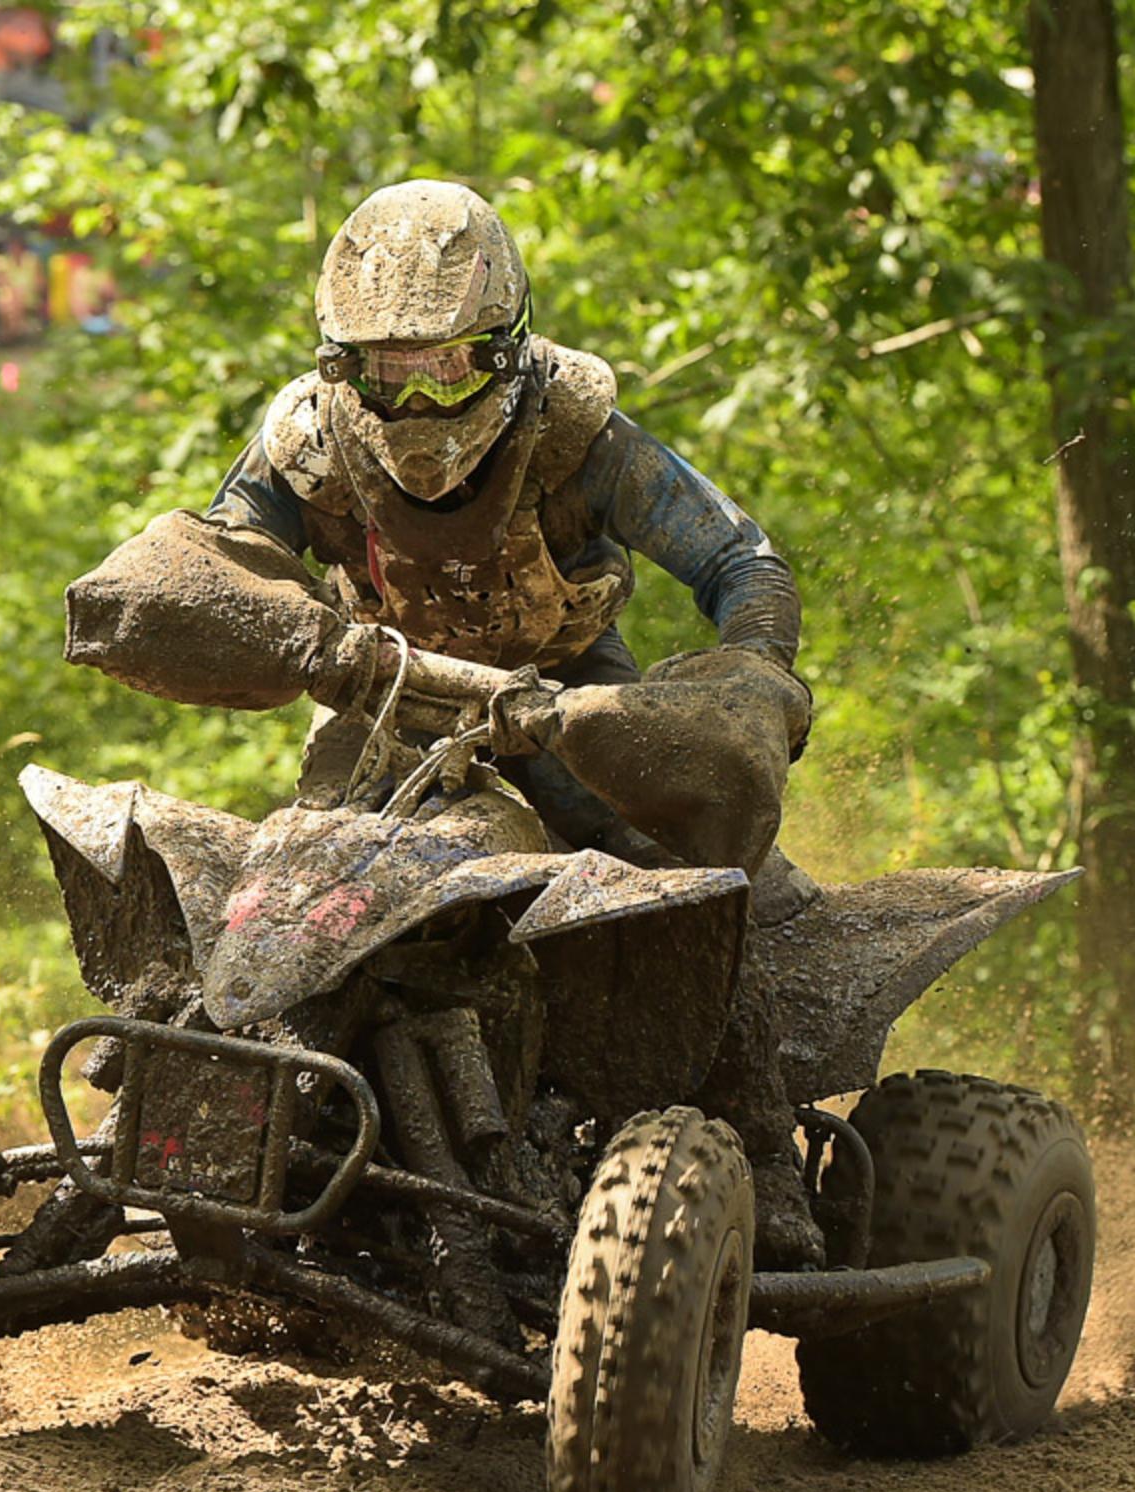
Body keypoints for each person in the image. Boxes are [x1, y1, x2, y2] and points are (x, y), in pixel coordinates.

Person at [63, 179, 823, 1263]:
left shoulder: (579, 435)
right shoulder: (309, 442)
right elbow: (224, 551)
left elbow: (737, 557)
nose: (419, 403)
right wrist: (293, 636)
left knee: (676, 897)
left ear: (505, 350)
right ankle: (175, 1114)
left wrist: (751, 666)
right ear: (343, 365)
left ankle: (765, 1152)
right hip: (384, 699)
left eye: (451, 365)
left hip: (564, 702)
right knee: (288, 886)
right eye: (389, 371)